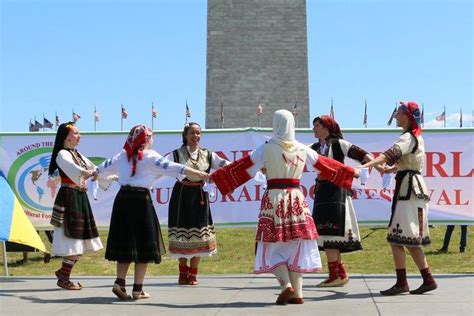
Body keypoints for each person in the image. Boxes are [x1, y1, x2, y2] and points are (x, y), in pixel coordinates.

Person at [211, 110, 358, 305]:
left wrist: (216, 177)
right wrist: (352, 172)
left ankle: (286, 285)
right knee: (296, 244)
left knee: (271, 246)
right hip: (296, 199)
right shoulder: (302, 148)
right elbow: (327, 165)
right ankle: (297, 294)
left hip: (274, 198)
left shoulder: (267, 148)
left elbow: (243, 167)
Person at [97, 125, 209, 300]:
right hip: (141, 201)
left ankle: (119, 282)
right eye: (151, 136)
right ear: (147, 139)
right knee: (144, 243)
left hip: (123, 200)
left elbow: (100, 169)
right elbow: (176, 167)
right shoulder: (151, 156)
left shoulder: (122, 155)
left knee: (125, 241)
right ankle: (137, 289)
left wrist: (88, 175)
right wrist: (201, 174)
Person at [361, 101, 437, 295]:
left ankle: (404, 282)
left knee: (399, 238)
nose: (395, 116)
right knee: (408, 238)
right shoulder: (416, 138)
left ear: (407, 116)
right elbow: (410, 161)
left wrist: (365, 166)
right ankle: (425, 279)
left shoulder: (407, 138)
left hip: (408, 189)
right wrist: (392, 169)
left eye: (399, 113)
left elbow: (390, 154)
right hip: (412, 187)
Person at [311, 115, 376, 287]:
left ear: (326, 127)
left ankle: (335, 276)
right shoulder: (315, 147)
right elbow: (298, 153)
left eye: (317, 125)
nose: (314, 129)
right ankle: (340, 274)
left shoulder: (339, 144)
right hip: (322, 192)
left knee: (330, 233)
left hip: (336, 192)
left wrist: (361, 171)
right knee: (325, 233)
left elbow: (366, 156)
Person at [166, 122, 229, 285]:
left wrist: (242, 167)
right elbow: (159, 166)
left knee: (200, 234)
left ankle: (193, 273)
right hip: (181, 197)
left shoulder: (207, 154)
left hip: (200, 197)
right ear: (185, 136)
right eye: (192, 133)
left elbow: (224, 164)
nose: (196, 136)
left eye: (198, 133)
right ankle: (182, 272)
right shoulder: (175, 154)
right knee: (182, 234)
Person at [48, 122, 103, 290]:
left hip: (79, 197)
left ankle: (63, 274)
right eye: (76, 133)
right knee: (72, 241)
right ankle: (63, 278)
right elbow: (76, 170)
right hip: (69, 198)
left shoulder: (77, 153)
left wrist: (111, 174)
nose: (80, 136)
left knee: (78, 241)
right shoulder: (62, 155)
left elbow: (95, 168)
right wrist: (88, 174)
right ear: (66, 136)